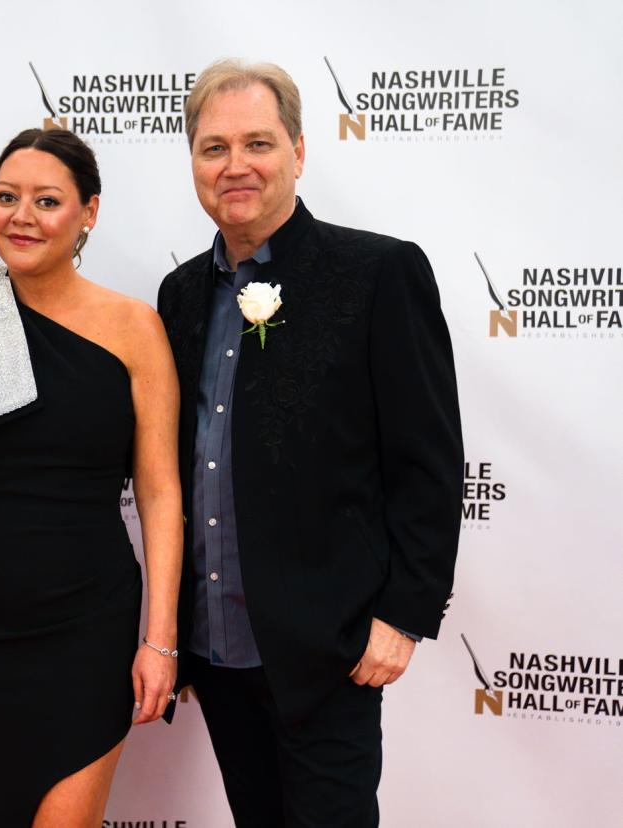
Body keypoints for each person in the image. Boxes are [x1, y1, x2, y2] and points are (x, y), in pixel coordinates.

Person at [158, 59, 463, 827]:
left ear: (299, 150)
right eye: (213, 148)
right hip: (218, 651)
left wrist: (404, 617)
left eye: (257, 143)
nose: (235, 166)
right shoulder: (182, 294)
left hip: (330, 652)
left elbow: (427, 462)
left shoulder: (378, 272)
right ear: (192, 161)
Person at [0, 128, 182, 827]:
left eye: (46, 200)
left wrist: (161, 638)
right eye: (6, 197)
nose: (21, 216)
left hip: (88, 625)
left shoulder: (134, 327)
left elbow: (160, 491)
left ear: (89, 212)